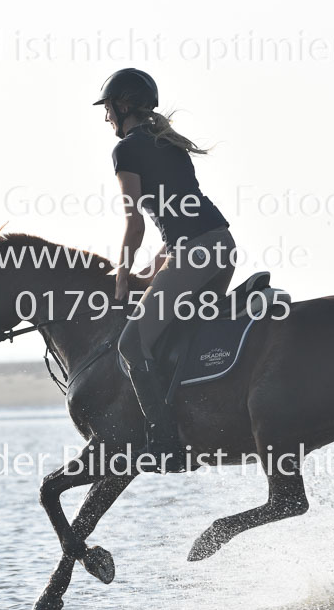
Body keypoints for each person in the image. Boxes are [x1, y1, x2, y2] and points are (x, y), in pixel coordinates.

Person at [93, 68, 236, 472]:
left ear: (123, 107)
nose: (106, 119)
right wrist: (147, 276)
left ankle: (164, 443)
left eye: (108, 109)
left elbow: (135, 224)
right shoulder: (166, 143)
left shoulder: (127, 151)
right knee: (181, 329)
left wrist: (122, 274)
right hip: (220, 245)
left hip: (196, 253)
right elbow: (177, 232)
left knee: (132, 345)